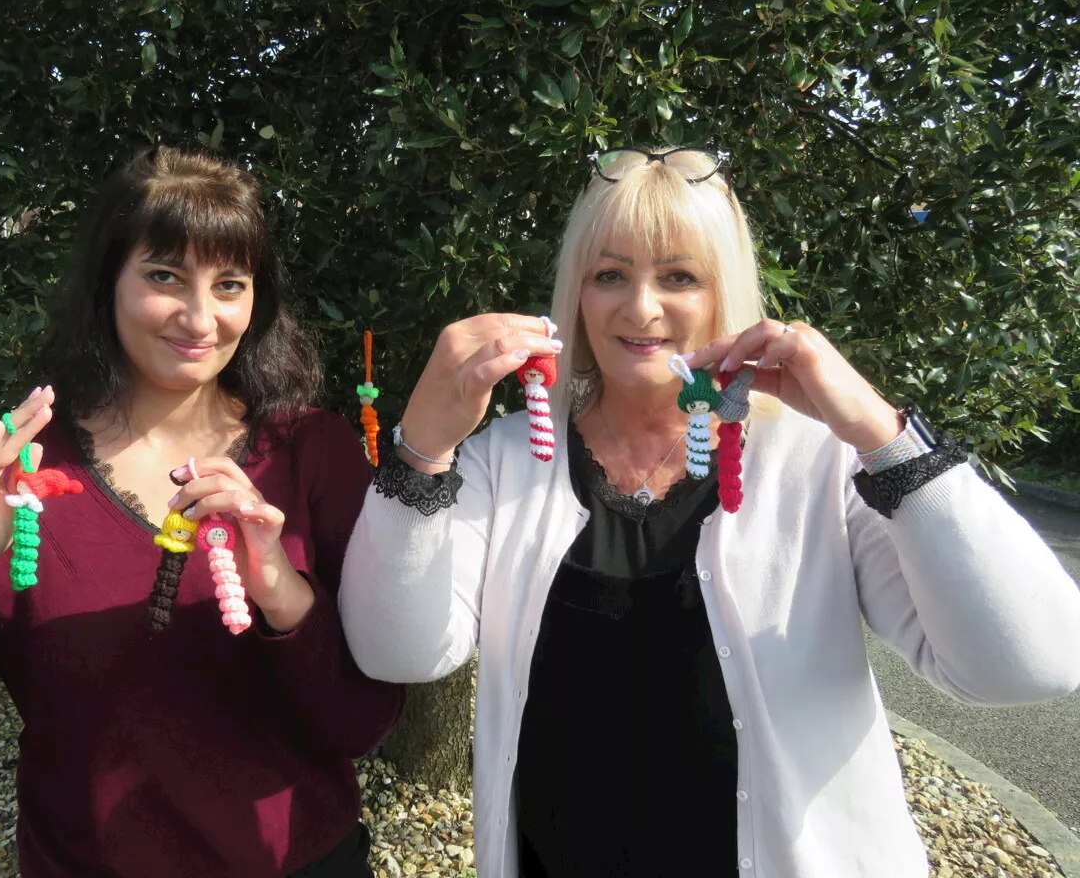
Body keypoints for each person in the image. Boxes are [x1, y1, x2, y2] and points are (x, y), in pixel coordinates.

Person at [336, 146, 1080, 878]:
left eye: (679, 276)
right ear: (577, 292)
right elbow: (400, 651)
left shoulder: (814, 459)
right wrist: (423, 445)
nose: (640, 307)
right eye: (610, 275)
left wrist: (884, 435)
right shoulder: (511, 456)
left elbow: (1030, 662)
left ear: (723, 290)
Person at [0, 145, 403, 878]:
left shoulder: (314, 454)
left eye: (230, 284)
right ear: (108, 282)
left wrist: (285, 598)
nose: (201, 318)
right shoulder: (14, 469)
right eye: (164, 276)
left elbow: (363, 722)